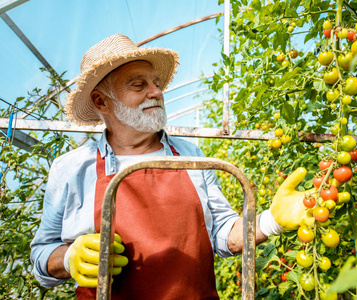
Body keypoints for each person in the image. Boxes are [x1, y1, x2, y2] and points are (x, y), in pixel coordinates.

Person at [30, 34, 308, 299]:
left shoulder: (191, 156)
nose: (156, 92)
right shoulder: (73, 168)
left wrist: (271, 221)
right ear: (101, 101)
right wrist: (69, 258)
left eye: (156, 82)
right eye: (138, 85)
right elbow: (42, 256)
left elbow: (224, 235)